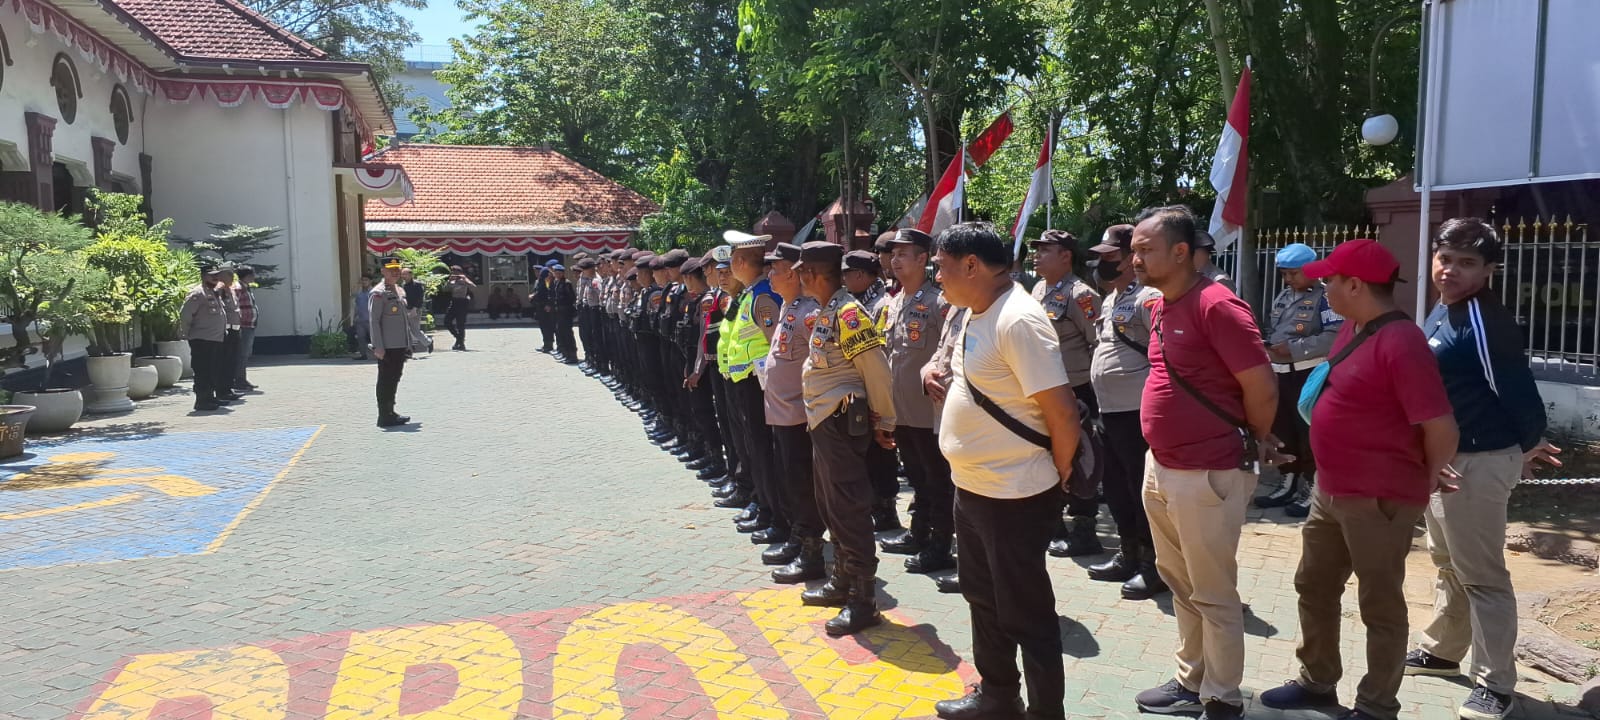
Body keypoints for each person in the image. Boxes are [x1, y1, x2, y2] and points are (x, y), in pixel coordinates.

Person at [1259, 238, 1460, 720]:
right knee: (1314, 585)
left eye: (1329, 279)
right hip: (1331, 489)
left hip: (1379, 496)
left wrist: (1426, 477)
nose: (1322, 286)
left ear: (1355, 284)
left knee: (1380, 604)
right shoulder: (1353, 326)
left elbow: (1440, 426)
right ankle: (1317, 681)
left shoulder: (1401, 342)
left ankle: (1375, 706)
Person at [1131, 206, 1284, 720]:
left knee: (1214, 591)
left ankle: (1222, 697)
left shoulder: (1217, 305)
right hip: (1164, 467)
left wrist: (1257, 437)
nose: (1135, 259)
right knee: (1179, 582)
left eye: (1145, 249)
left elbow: (1261, 386)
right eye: (1133, 249)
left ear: (1180, 252)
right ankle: (1190, 679)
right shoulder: (1160, 305)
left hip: (1208, 472)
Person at [1408, 219, 1558, 720]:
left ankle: (1496, 685)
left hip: (1477, 461)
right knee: (1447, 562)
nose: (1450, 270)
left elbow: (1517, 392)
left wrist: (1524, 446)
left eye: (1466, 263)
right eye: (1445, 258)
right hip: (1444, 460)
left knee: (1483, 576)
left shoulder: (1483, 321)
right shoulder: (1442, 309)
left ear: (1489, 270)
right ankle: (1441, 649)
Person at [930, 222, 1080, 720]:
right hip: (972, 488)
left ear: (972, 265)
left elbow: (1061, 413)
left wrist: (1058, 477)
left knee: (1027, 614)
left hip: (1015, 494)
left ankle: (1045, 713)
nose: (938, 276)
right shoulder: (973, 312)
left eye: (942, 267)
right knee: (982, 598)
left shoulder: (1018, 320)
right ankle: (997, 696)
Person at [794, 239, 898, 637]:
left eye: (802, 270)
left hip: (840, 422)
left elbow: (876, 367)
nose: (799, 276)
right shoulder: (829, 311)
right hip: (824, 422)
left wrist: (886, 420)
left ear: (811, 273)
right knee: (831, 505)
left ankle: (863, 599)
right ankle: (842, 582)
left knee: (850, 509)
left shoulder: (849, 314)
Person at [1084, 224, 1167, 599]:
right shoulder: (1111, 298)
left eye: (1110, 258)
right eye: (1099, 258)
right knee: (1116, 488)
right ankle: (1127, 553)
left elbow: (1163, 356)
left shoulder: (1148, 298)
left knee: (1140, 491)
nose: (1102, 265)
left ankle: (1153, 566)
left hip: (1136, 412)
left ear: (1131, 259)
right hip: (1109, 410)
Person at [876, 228, 956, 575]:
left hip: (929, 411)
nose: (895, 260)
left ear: (923, 259)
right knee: (917, 477)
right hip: (901, 409)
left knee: (936, 481)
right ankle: (919, 532)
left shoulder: (939, 302)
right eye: (893, 254)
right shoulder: (893, 302)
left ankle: (940, 544)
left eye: (903, 254)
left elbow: (947, 352)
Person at [1029, 229, 1104, 559]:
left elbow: (1097, 343)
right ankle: (1053, 522)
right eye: (1037, 249)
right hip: (1042, 389)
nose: (1038, 255)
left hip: (1076, 391)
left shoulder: (1082, 295)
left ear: (1066, 256)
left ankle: (1085, 528)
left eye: (1046, 250)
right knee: (1047, 456)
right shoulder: (1037, 289)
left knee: (1078, 456)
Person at [1258, 243, 1342, 517]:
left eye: (1293, 273)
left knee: (1308, 434)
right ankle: (1288, 480)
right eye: (1284, 274)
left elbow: (1333, 336)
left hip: (1307, 373)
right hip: (1280, 374)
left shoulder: (1326, 297)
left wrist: (1293, 349)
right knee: (1283, 431)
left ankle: (1311, 486)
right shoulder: (1284, 296)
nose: (1288, 279)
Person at [759, 242, 826, 581]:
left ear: (795, 273)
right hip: (782, 413)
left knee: (802, 485)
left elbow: (820, 363)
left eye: (776, 268)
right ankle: (799, 539)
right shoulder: (788, 307)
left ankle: (812, 552)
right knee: (790, 483)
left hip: (800, 415)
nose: (770, 274)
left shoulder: (809, 312)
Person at [722, 232, 784, 536]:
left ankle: (773, 513)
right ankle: (763, 505)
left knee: (763, 451)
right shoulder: (748, 294)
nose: (731, 264)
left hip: (758, 385)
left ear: (742, 261)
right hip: (742, 381)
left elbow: (775, 345)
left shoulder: (762, 295)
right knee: (753, 449)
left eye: (733, 258)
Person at [844, 248, 904, 532]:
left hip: (877, 385)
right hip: (860, 386)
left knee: (882, 452)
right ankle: (874, 505)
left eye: (846, 274)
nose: (842, 279)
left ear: (860, 275)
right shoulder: (856, 301)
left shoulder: (880, 304)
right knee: (867, 451)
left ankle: (886, 509)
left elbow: (880, 350)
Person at [179, 261, 234, 412]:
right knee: (203, 371)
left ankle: (210, 397)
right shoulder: (198, 293)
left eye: (217, 275)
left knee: (213, 370)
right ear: (203, 276)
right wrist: (187, 333)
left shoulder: (213, 292)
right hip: (202, 339)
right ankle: (202, 400)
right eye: (212, 276)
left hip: (215, 338)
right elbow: (185, 315)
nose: (215, 278)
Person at [370, 257, 415, 427]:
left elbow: (404, 321)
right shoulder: (378, 293)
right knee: (385, 379)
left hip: (399, 344)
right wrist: (378, 346)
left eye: (397, 269)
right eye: (391, 269)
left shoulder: (400, 291)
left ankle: (391, 411)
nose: (395, 272)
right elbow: (374, 321)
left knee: (395, 377)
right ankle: (383, 415)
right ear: (383, 271)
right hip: (387, 346)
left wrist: (409, 343)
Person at [231, 265, 260, 392]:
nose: (254, 277)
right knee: (242, 353)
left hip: (250, 324)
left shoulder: (246, 288)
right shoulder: (238, 288)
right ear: (247, 276)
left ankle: (241, 379)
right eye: (252, 275)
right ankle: (239, 380)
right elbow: (234, 305)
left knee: (245, 353)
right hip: (244, 325)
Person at [444, 265, 476, 351]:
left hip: (462, 302)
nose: (454, 274)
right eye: (453, 272)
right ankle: (458, 338)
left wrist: (465, 279)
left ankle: (461, 343)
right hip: (454, 302)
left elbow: (473, 286)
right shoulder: (452, 281)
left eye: (455, 272)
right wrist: (449, 281)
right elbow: (445, 289)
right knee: (447, 321)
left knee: (460, 324)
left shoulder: (464, 280)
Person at [552, 264, 579, 363]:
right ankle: (565, 353)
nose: (557, 274)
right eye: (555, 273)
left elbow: (571, 298)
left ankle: (572, 355)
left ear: (562, 273)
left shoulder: (566, 283)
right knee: (561, 333)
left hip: (566, 312)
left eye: (559, 273)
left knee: (567, 334)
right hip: (559, 312)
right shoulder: (556, 282)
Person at [349, 274, 374, 360]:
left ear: (370, 281)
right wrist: (354, 318)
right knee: (361, 338)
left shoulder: (373, 292)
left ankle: (377, 354)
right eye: (362, 280)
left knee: (374, 338)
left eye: (366, 280)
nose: (364, 282)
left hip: (371, 320)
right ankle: (363, 355)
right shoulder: (359, 294)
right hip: (360, 320)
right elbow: (356, 306)